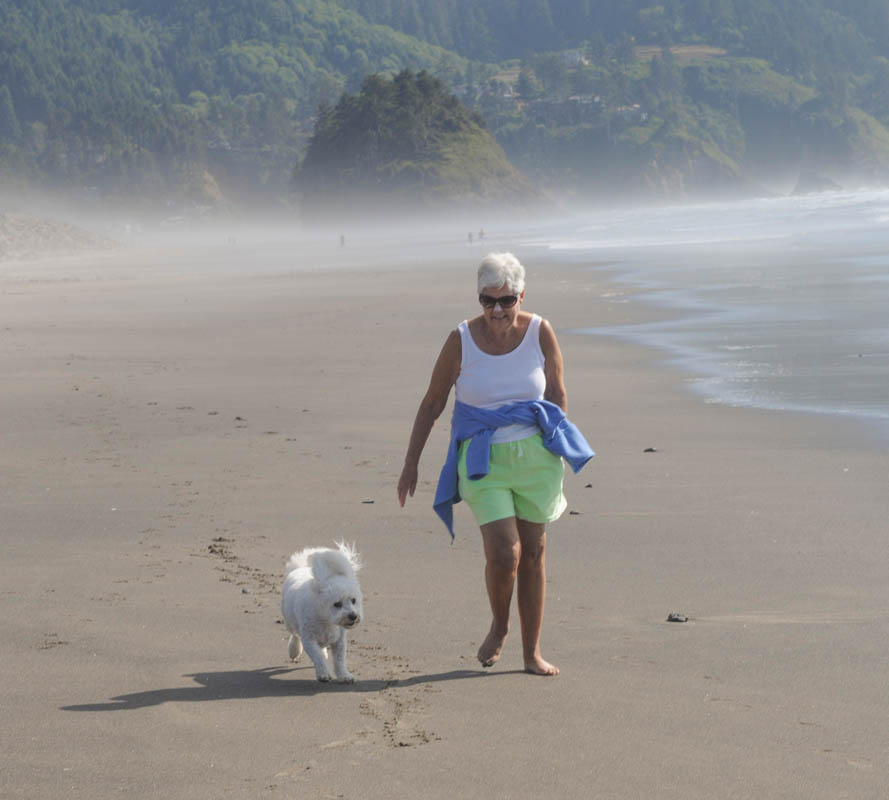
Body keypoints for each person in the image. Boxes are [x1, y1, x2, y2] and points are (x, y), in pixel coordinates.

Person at [397, 252, 593, 676]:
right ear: (479, 298)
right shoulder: (461, 340)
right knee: (506, 553)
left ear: (522, 296)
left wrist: (557, 446)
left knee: (535, 552)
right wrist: (411, 463)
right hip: (482, 459)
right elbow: (433, 403)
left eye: (507, 301)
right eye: (489, 301)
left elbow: (557, 394)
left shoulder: (541, 332)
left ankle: (531, 653)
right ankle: (500, 627)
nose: (498, 311)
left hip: (536, 457)